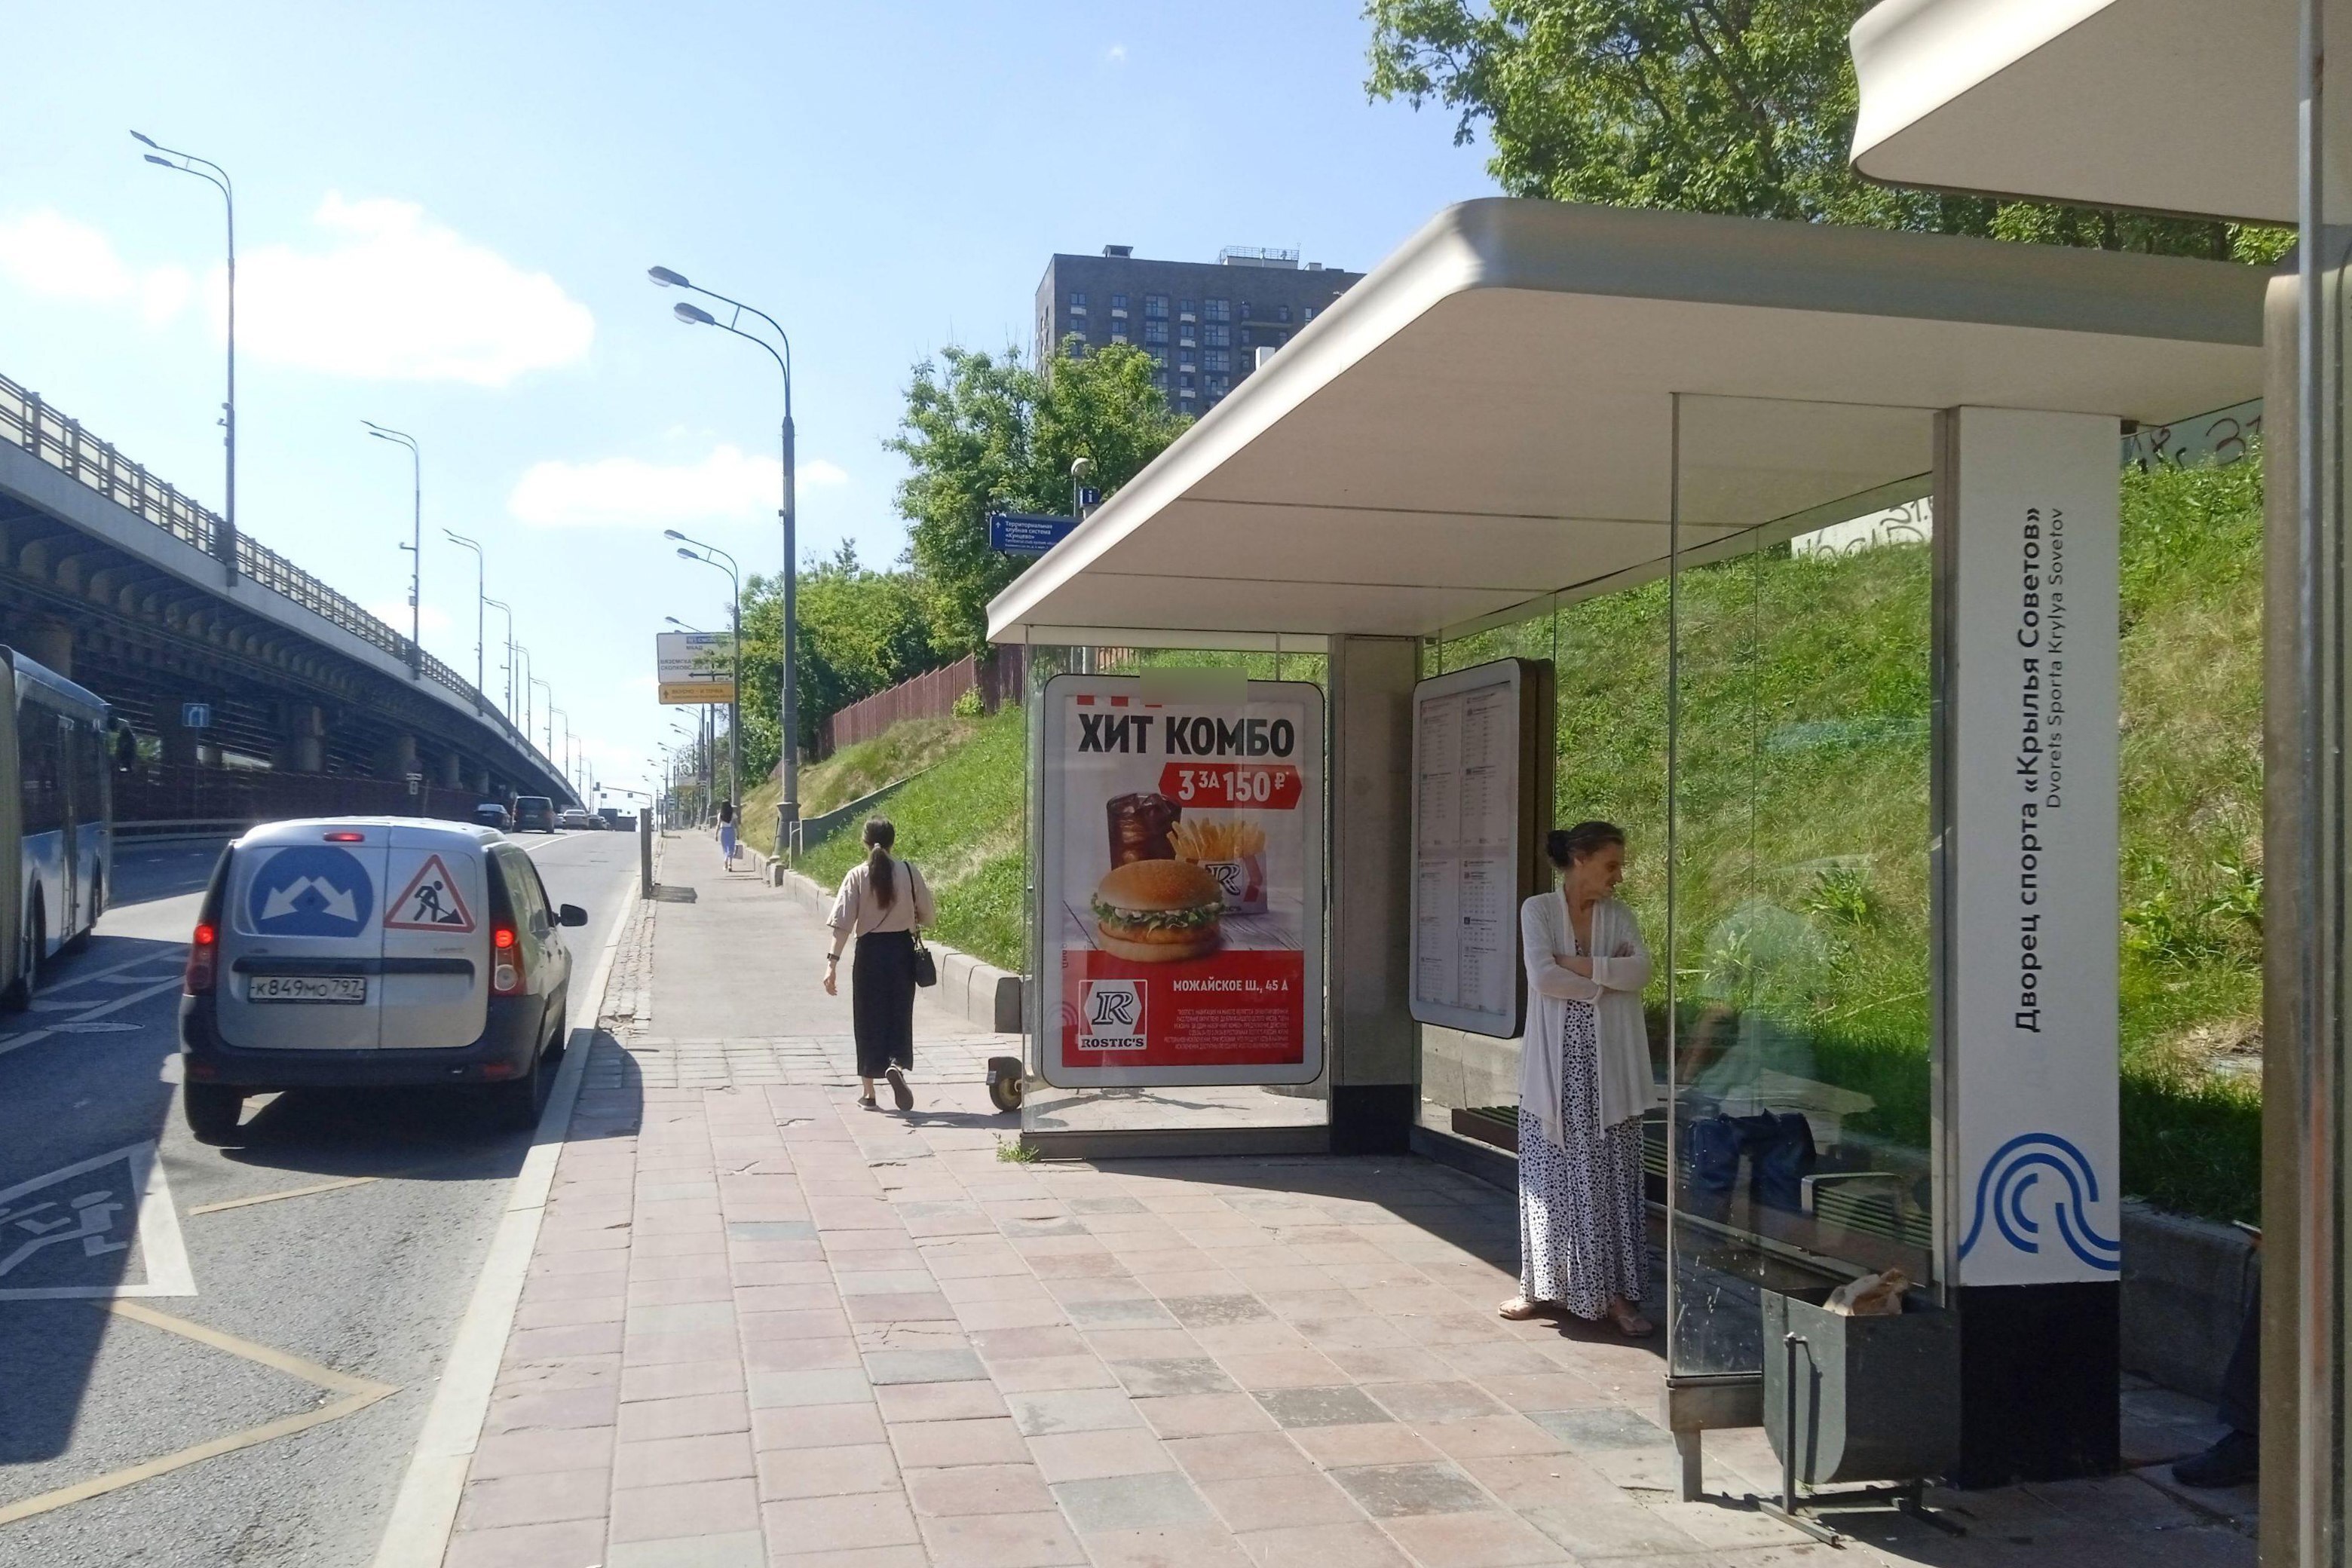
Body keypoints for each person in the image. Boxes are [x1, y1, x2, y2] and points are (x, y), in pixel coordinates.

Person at [1501, 819, 1659, 1336]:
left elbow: (1642, 972)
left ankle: (1615, 1296)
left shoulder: (1621, 916)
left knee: (1608, 1178)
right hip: (1553, 1071)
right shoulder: (1538, 910)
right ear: (1580, 860)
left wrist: (1575, 964)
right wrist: (1604, 983)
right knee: (1551, 1174)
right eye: (1611, 865)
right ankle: (1542, 1286)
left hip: (1610, 1071)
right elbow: (1542, 977)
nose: (1619, 876)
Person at [822, 817, 934, 1111]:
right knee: (899, 1014)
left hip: (870, 955)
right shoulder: (909, 872)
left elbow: (842, 924)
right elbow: (928, 915)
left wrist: (832, 964)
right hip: (901, 952)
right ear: (893, 841)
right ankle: (896, 1063)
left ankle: (869, 1093)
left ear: (864, 842)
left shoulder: (857, 876)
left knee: (867, 1018)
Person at [718, 801, 738, 870]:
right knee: (731, 847)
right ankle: (730, 864)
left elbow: (718, 825)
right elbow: (736, 825)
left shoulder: (720, 814)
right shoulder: (733, 814)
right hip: (731, 831)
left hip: (723, 832)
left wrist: (716, 834)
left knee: (725, 848)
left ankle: (725, 860)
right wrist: (738, 833)